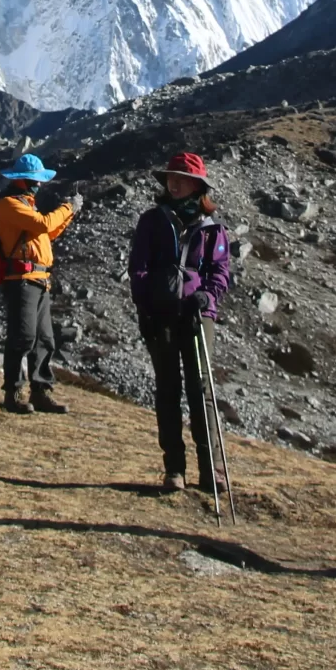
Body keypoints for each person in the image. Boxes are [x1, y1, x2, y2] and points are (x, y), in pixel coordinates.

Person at [126, 151, 233, 492]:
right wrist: (144, 307)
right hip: (161, 315)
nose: (173, 183)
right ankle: (174, 468)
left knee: (201, 390)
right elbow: (139, 267)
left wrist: (208, 297)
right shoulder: (152, 220)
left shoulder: (213, 229)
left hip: (198, 315)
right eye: (171, 178)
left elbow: (220, 270)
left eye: (181, 178)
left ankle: (210, 469)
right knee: (168, 389)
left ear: (196, 185)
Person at [0, 152, 80, 414]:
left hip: (38, 279)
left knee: (43, 338)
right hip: (21, 280)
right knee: (23, 336)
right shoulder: (9, 205)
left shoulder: (25, 205)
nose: (39, 184)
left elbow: (46, 232)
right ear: (23, 180)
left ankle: (40, 391)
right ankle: (14, 391)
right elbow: (43, 224)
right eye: (35, 179)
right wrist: (68, 207)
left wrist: (68, 215)